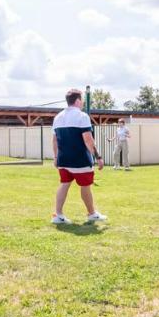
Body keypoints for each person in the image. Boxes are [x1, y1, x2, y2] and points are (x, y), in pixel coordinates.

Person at [52, 89, 106, 224]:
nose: (82, 103)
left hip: (63, 160)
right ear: (77, 101)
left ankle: (58, 215)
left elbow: (54, 140)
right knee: (86, 186)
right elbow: (88, 140)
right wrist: (98, 157)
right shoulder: (82, 116)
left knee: (64, 185)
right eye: (81, 100)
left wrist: (55, 157)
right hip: (80, 160)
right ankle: (92, 213)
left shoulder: (58, 117)